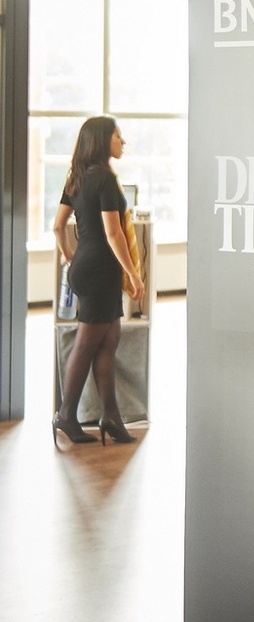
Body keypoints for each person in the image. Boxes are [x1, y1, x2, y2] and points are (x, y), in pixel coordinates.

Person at [51, 116, 144, 446]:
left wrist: (70, 257)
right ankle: (66, 414)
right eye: (118, 136)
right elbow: (113, 232)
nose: (122, 142)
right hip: (100, 270)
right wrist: (133, 273)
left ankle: (111, 417)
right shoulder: (104, 178)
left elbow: (57, 226)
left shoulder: (76, 176)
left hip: (86, 267)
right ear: (103, 140)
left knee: (108, 340)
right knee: (87, 343)